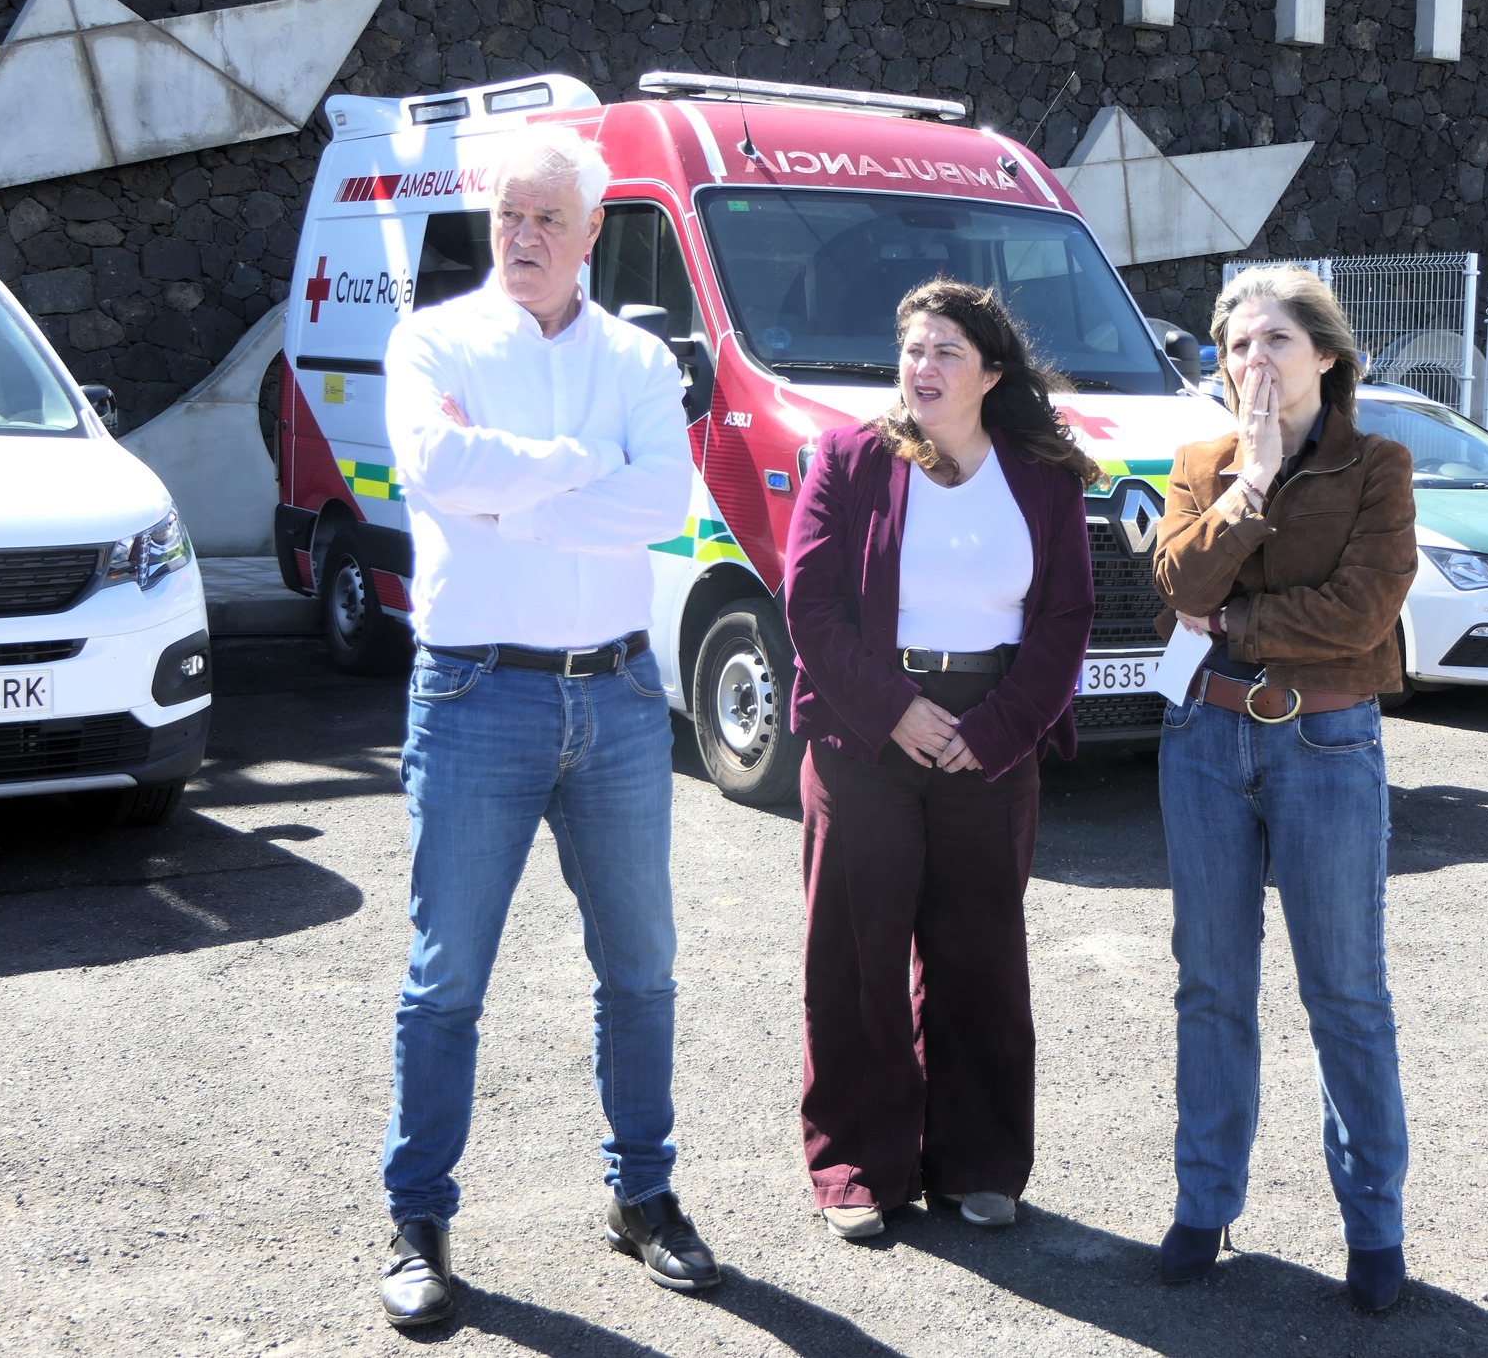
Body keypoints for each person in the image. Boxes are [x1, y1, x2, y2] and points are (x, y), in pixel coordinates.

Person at [374, 123, 716, 1328]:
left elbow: (663, 501)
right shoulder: (432, 339)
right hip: (474, 694)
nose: (520, 238)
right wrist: (579, 474)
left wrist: (516, 500)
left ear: (589, 233)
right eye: (506, 217)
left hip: (619, 697)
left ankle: (644, 1198)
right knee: (445, 977)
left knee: (641, 971)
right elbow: (433, 465)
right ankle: (418, 1221)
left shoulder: (636, 356)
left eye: (545, 221)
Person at [783, 280, 1097, 1242]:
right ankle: (857, 1164)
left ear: (991, 372)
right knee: (857, 953)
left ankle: (979, 1160)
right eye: (913, 349)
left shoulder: (1042, 473)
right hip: (865, 731)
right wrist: (895, 711)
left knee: (980, 955)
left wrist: (996, 730)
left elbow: (1067, 618)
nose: (921, 367)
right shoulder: (851, 456)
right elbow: (809, 602)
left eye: (946, 351)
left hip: (991, 735)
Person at [1149, 265, 1417, 1309]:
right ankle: (1203, 1203)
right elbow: (1177, 586)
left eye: (1271, 342)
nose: (1250, 362)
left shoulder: (1378, 466)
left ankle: (1373, 1227)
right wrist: (1249, 483)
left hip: (1326, 745)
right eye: (1234, 347)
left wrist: (1238, 625)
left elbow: (1358, 613)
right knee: (1209, 985)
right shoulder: (1199, 461)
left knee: (1345, 993)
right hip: (1203, 745)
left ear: (1325, 356)